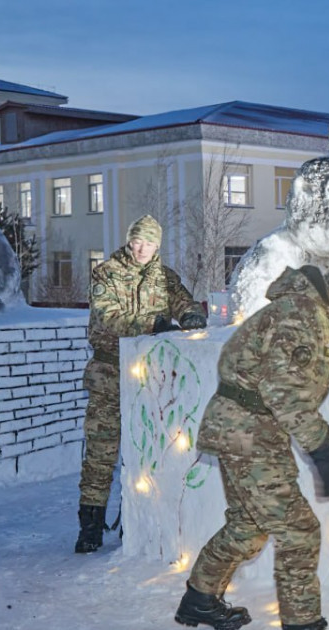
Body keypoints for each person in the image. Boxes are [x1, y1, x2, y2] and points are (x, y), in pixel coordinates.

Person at [175, 265, 329, 630]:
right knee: (299, 530)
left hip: (242, 428)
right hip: (250, 433)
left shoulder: (301, 311)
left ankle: (200, 600)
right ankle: (302, 623)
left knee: (248, 526)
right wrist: (323, 448)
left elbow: (285, 392)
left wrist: (328, 445)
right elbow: (284, 393)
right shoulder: (301, 315)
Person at [76, 214, 206, 554]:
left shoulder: (164, 277)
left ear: (157, 244)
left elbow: (185, 302)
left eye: (148, 242)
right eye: (136, 241)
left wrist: (192, 316)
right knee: (102, 452)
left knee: (148, 454)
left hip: (151, 380)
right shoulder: (107, 273)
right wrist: (154, 323)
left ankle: (136, 523)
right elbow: (110, 316)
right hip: (110, 374)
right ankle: (90, 527)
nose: (140, 248)